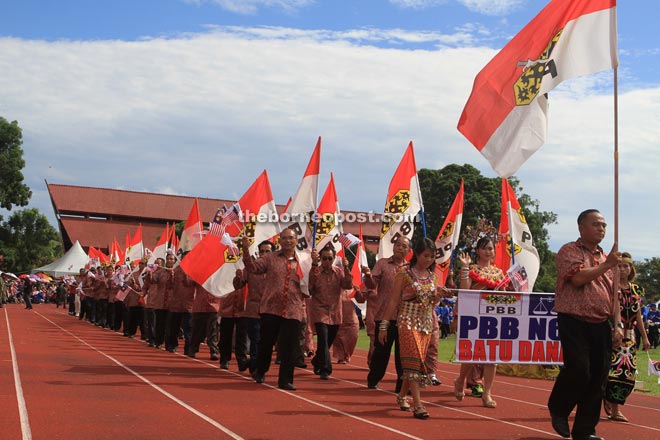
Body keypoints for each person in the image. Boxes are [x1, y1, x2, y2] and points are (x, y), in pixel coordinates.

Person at [547, 209, 623, 440]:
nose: (601, 228)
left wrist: (617, 323)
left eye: (604, 225)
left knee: (598, 379)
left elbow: (614, 296)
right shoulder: (570, 250)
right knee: (580, 369)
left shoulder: (607, 258)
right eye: (596, 224)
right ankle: (559, 408)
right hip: (574, 320)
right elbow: (578, 278)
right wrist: (607, 265)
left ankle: (585, 431)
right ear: (582, 228)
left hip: (601, 323)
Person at [378, 237, 447, 419]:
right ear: (416, 254)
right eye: (426, 255)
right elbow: (393, 300)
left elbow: (430, 304)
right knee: (414, 361)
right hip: (407, 321)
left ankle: (401, 396)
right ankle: (418, 404)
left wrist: (438, 296)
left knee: (414, 363)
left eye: (432, 257)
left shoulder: (433, 276)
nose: (429, 260)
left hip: (426, 324)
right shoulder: (404, 273)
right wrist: (384, 326)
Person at [240, 227, 308, 391]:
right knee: (266, 344)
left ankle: (285, 380)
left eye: (291, 238)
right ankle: (261, 370)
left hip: (293, 309)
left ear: (296, 241)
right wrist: (245, 250)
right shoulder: (270, 258)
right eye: (284, 238)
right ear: (280, 241)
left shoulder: (305, 261)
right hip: (270, 308)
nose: (287, 241)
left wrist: (316, 264)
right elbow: (253, 268)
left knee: (289, 347)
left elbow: (311, 283)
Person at [454, 236, 509, 408]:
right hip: (475, 316)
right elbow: (464, 290)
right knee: (472, 353)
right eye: (484, 248)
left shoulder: (499, 273)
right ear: (477, 251)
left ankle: (487, 393)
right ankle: (461, 380)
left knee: (492, 357)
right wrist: (464, 268)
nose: (488, 251)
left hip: (494, 318)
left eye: (491, 248)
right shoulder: (472, 269)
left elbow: (506, 297)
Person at [603, 252, 650, 423]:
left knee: (626, 374)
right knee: (609, 372)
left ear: (631, 268)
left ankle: (615, 406)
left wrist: (645, 337)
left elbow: (638, 315)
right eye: (619, 266)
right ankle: (607, 400)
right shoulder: (610, 287)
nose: (622, 269)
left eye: (626, 266)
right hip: (612, 334)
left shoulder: (636, 290)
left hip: (630, 336)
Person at [364, 236, 411, 391]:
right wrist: (368, 276)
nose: (400, 248)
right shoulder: (382, 264)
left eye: (404, 246)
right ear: (393, 247)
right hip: (384, 316)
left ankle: (401, 385)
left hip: (404, 317)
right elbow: (371, 285)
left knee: (402, 353)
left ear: (408, 251)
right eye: (398, 245)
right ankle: (373, 379)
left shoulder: (410, 269)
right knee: (381, 352)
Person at [308, 244, 352, 380]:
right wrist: (314, 266)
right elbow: (310, 288)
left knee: (328, 342)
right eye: (324, 258)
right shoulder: (315, 271)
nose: (327, 261)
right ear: (320, 258)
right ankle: (326, 369)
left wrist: (347, 268)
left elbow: (348, 285)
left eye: (330, 258)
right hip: (320, 310)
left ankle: (317, 360)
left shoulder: (339, 272)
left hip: (334, 312)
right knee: (323, 339)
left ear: (334, 259)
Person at [232, 240, 275, 373]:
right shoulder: (251, 268)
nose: (264, 253)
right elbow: (238, 285)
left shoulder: (276, 269)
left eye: (267, 251)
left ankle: (253, 363)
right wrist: (238, 277)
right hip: (253, 311)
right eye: (262, 251)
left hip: (271, 311)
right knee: (255, 339)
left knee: (266, 342)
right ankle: (256, 369)